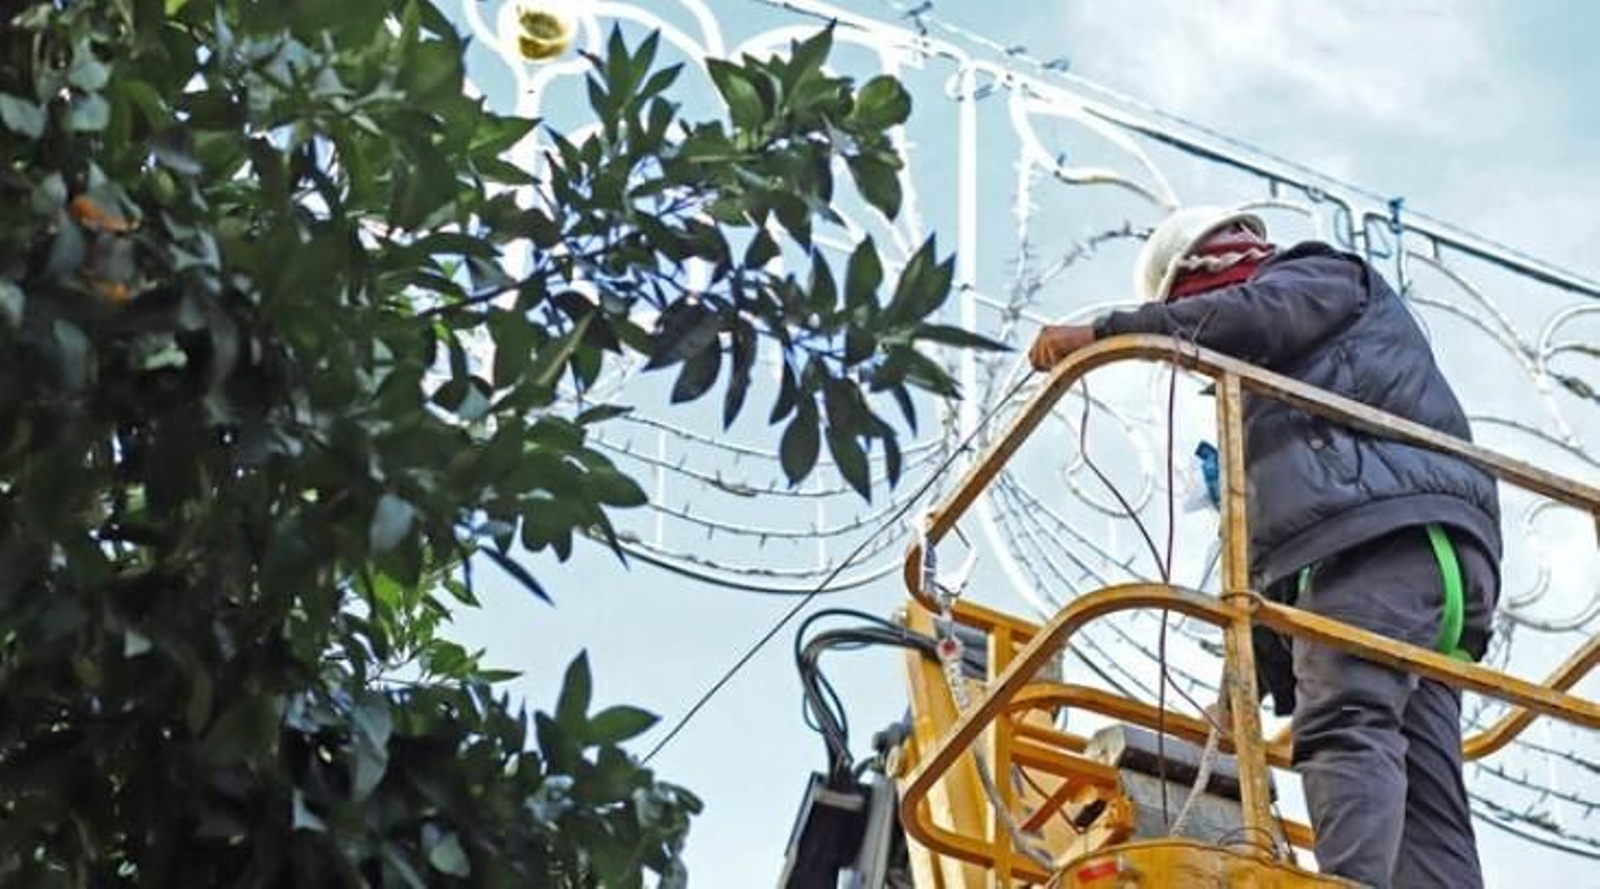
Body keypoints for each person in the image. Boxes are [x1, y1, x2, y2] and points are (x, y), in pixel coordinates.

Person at [1028, 207, 1502, 888]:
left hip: (1382, 538)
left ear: (1212, 271)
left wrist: (1107, 331)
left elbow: (1247, 316)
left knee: (1344, 716)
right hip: (1424, 557)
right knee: (1424, 784)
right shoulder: (1279, 405)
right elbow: (1262, 576)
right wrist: (1235, 694)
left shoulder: (1320, 276)